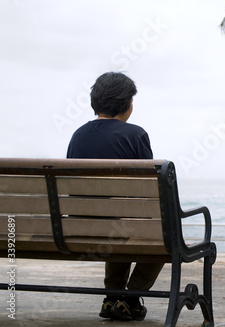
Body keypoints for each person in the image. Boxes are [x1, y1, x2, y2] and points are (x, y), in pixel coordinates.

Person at [67, 72, 163, 321]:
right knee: (162, 236)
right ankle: (129, 299)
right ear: (127, 104)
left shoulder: (78, 135)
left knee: (119, 223)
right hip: (117, 228)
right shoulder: (135, 134)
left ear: (95, 102)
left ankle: (112, 296)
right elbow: (150, 191)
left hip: (80, 228)